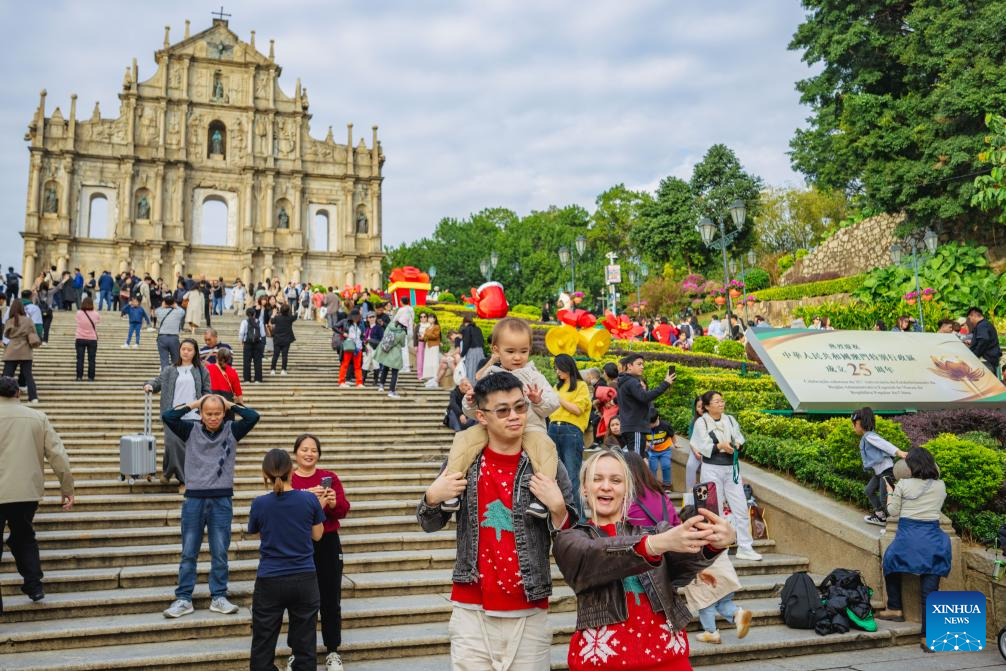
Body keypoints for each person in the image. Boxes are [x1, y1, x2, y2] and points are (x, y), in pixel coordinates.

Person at [418, 372, 575, 671]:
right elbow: (428, 523)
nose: (515, 416)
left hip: (529, 608)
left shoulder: (546, 464)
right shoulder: (464, 461)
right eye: (503, 410)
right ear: (482, 416)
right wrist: (432, 497)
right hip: (471, 611)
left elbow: (574, 538)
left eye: (520, 407)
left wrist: (558, 509)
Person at [553, 448, 736, 671]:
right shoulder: (571, 539)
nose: (606, 486)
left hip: (668, 661)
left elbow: (685, 562)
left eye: (616, 480)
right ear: (584, 488)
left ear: (627, 489)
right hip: (602, 664)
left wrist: (715, 542)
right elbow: (592, 555)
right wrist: (653, 544)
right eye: (597, 479)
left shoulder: (657, 531)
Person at [447, 318, 561, 519]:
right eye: (511, 351)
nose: (518, 357)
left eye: (523, 351)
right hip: (494, 432)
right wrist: (471, 402)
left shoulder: (534, 377)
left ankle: (542, 498)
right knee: (464, 439)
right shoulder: (490, 376)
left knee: (545, 446)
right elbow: (475, 413)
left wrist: (538, 400)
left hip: (530, 429)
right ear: (496, 350)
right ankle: (451, 486)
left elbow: (552, 404)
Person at [161, 394, 260, 619]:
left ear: (223, 414)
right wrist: (196, 403)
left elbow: (253, 416)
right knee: (188, 552)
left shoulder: (232, 430)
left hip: (221, 499)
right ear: (201, 415)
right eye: (208, 414)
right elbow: (168, 416)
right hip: (194, 499)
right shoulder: (190, 430)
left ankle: (219, 596)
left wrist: (229, 404)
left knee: (220, 551)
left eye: (217, 414)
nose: (213, 418)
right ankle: (184, 598)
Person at [0, 375, 74, 613]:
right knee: (23, 536)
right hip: (26, 492)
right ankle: (34, 585)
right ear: (18, 394)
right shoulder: (37, 417)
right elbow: (58, 456)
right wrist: (67, 488)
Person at [247, 448, 324, 671]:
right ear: (292, 471)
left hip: (270, 578)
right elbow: (317, 535)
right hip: (304, 579)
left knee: (263, 644)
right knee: (305, 645)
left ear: (265, 474)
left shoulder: (259, 503)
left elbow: (261, 534)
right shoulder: (309, 499)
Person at [876, 447, 951, 653]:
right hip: (933, 538)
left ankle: (894, 607)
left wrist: (891, 493)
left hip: (908, 536)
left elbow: (893, 511)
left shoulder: (904, 484)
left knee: (890, 562)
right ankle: (927, 637)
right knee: (930, 589)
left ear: (912, 465)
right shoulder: (940, 485)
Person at [291, 434, 351, 671]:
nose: (308, 454)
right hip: (299, 545)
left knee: (330, 598)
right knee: (299, 601)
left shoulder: (329, 478)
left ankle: (332, 651)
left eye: (313, 450)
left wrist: (334, 503)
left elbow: (344, 509)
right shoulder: (289, 479)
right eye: (304, 449)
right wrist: (308, 501)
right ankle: (299, 652)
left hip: (327, 543)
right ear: (296, 452)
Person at [689, 391, 762, 561]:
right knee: (715, 510)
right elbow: (702, 446)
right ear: (707, 406)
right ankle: (718, 547)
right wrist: (720, 445)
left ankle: (745, 547)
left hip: (731, 469)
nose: (721, 404)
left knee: (741, 506)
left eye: (722, 401)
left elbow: (739, 438)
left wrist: (736, 444)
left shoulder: (729, 419)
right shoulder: (701, 423)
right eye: (716, 401)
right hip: (712, 468)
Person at [144, 339, 212, 488]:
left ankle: (171, 475)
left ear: (195, 353)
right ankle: (182, 479)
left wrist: (204, 408)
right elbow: (158, 382)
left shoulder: (202, 370)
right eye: (183, 349)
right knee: (172, 443)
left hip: (193, 415)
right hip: (172, 414)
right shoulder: (170, 369)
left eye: (189, 350)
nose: (186, 352)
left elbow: (207, 391)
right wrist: (149, 385)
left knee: (185, 446)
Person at [682, 524, 753, 645]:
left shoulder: (691, 540)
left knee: (706, 605)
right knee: (723, 603)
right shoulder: (716, 535)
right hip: (725, 578)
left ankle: (711, 632)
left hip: (707, 580)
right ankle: (737, 614)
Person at [548, 353, 591, 521]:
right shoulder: (556, 386)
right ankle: (561, 517)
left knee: (572, 476)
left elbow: (578, 409)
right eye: (556, 368)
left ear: (568, 367)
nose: (557, 371)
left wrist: (558, 400)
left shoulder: (581, 386)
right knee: (554, 476)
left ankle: (579, 519)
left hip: (571, 431)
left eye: (559, 368)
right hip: (552, 429)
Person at [852, 407, 908, 526]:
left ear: (859, 423)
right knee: (869, 491)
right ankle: (881, 516)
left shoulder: (869, 436)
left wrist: (899, 452)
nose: (854, 427)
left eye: (854, 424)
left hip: (886, 471)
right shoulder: (867, 437)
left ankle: (894, 525)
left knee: (885, 499)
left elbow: (885, 445)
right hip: (879, 472)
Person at [617, 354, 675, 455]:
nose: (642, 367)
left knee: (634, 459)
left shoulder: (625, 381)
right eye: (639, 364)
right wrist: (665, 383)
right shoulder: (631, 382)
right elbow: (645, 397)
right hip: (635, 428)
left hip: (630, 427)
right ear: (629, 366)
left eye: (643, 364)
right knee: (636, 461)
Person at [625, 451, 681, 528]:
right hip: (668, 537)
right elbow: (677, 524)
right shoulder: (661, 494)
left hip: (642, 539)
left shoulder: (626, 501)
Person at [3, 300, 40, 403]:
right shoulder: (28, 320)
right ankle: (33, 398)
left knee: (7, 375)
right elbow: (34, 332)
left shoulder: (9, 321)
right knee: (28, 375)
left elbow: (7, 335)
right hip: (25, 349)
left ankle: (3, 396)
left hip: (12, 349)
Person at [374, 320, 407, 398]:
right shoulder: (402, 332)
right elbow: (403, 344)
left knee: (385, 368)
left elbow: (384, 336)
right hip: (396, 354)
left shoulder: (389, 326)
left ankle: (381, 386)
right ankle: (391, 391)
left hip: (387, 351)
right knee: (395, 372)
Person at [646, 407, 676, 490]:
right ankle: (653, 485)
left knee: (666, 466)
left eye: (653, 423)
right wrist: (646, 444)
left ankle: (667, 485)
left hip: (665, 449)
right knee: (653, 468)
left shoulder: (665, 425)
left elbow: (672, 435)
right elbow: (642, 438)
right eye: (649, 424)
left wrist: (675, 443)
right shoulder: (644, 426)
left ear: (658, 418)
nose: (651, 426)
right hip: (652, 451)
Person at [966, 306, 1002, 374]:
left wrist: (974, 355)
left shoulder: (982, 325)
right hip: (989, 360)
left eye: (970, 318)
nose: (970, 321)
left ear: (973, 314)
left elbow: (984, 340)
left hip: (986, 361)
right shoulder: (985, 324)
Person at [154, 294, 185, 369]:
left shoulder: (159, 311)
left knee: (164, 361)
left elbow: (156, 311)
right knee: (176, 360)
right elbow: (183, 311)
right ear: (174, 302)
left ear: (164, 302)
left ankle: (165, 378)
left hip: (162, 337)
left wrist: (162, 306)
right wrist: (176, 306)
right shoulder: (178, 312)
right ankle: (175, 378)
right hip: (174, 338)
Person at [74, 296, 100, 382]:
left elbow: (77, 321)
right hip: (92, 339)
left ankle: (79, 377)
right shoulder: (96, 313)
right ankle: (91, 377)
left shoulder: (79, 313)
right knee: (92, 359)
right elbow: (97, 321)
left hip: (80, 338)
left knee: (80, 359)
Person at [337, 309, 364, 388]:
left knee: (358, 366)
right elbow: (335, 327)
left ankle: (359, 383)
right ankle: (341, 381)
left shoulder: (360, 324)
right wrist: (343, 333)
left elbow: (361, 335)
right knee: (345, 364)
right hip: (349, 345)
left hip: (358, 347)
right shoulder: (346, 322)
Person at [240, 306, 267, 384]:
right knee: (258, 362)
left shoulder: (244, 322)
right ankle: (258, 379)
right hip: (258, 344)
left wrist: (241, 341)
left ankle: (247, 379)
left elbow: (241, 333)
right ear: (255, 314)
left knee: (246, 362)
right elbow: (263, 334)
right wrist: (262, 344)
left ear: (247, 314)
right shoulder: (259, 322)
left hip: (247, 344)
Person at [684, 396, 705, 496]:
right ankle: (690, 493)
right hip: (696, 449)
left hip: (710, 451)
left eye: (703, 406)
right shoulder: (694, 421)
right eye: (698, 406)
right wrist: (696, 452)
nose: (701, 409)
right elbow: (692, 440)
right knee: (690, 465)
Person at [269, 303, 297, 375]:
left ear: (280, 310)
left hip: (277, 339)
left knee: (275, 355)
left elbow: (271, 321)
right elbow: (295, 316)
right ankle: (283, 370)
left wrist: (273, 314)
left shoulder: (277, 318)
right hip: (286, 340)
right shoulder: (290, 318)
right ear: (288, 311)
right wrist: (293, 310)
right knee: (285, 355)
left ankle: (273, 369)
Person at [459, 313, 485, 383]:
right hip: (480, 351)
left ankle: (471, 386)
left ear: (465, 322)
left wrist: (462, 354)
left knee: (471, 369)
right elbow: (482, 340)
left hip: (472, 351)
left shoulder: (467, 329)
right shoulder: (478, 328)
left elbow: (466, 343)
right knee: (480, 369)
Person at [361, 312, 384, 386]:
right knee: (365, 363)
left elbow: (382, 339)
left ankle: (375, 380)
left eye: (373, 317)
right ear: (367, 319)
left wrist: (372, 341)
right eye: (370, 317)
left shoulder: (379, 328)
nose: (371, 318)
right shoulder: (367, 328)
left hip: (375, 348)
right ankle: (362, 380)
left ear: (375, 318)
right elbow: (364, 338)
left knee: (376, 364)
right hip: (367, 348)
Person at [421, 313, 442, 382]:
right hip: (428, 346)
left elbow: (435, 336)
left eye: (431, 318)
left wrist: (426, 334)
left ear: (434, 319)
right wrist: (422, 337)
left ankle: (435, 376)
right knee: (428, 361)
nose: (430, 319)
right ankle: (428, 376)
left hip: (434, 346)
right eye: (429, 318)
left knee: (434, 360)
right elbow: (425, 337)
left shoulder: (436, 327)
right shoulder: (427, 328)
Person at [416, 312, 430, 380]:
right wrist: (415, 345)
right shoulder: (418, 325)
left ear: (427, 317)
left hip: (428, 344)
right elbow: (415, 336)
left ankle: (427, 374)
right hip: (420, 343)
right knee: (420, 359)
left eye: (424, 316)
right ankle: (420, 374)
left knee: (427, 359)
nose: (423, 318)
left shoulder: (430, 325)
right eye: (421, 317)